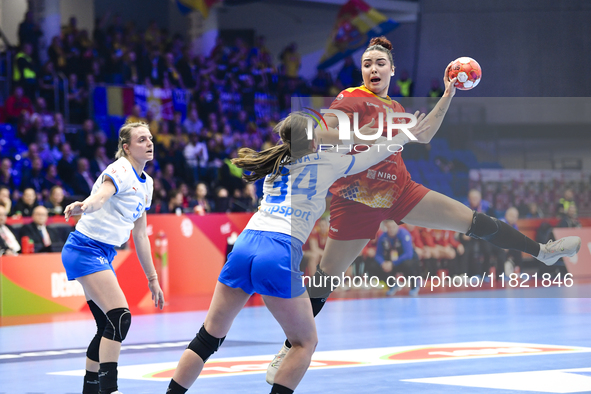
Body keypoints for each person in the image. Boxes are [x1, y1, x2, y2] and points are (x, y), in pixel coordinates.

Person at [266, 36, 582, 383]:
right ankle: (289, 346)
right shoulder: (352, 98)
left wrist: (447, 95)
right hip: (356, 198)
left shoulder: (398, 109)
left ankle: (542, 252)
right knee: (326, 278)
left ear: (392, 70)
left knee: (472, 220)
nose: (373, 68)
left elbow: (426, 134)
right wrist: (366, 133)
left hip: (401, 190)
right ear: (362, 70)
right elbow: (323, 133)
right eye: (367, 63)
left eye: (380, 63)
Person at [165, 111, 428, 394]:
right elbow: (372, 156)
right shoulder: (328, 162)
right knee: (305, 342)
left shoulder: (275, 163)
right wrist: (404, 134)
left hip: (246, 244)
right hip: (278, 249)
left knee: (208, 338)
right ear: (313, 140)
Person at [61, 122, 164, 394]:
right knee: (120, 317)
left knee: (107, 325)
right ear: (127, 147)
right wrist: (84, 205)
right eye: (142, 140)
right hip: (84, 249)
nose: (149, 143)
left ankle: (91, 389)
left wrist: (152, 279)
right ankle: (110, 389)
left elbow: (140, 236)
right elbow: (102, 195)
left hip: (102, 253)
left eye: (150, 138)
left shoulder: (147, 184)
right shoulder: (119, 169)